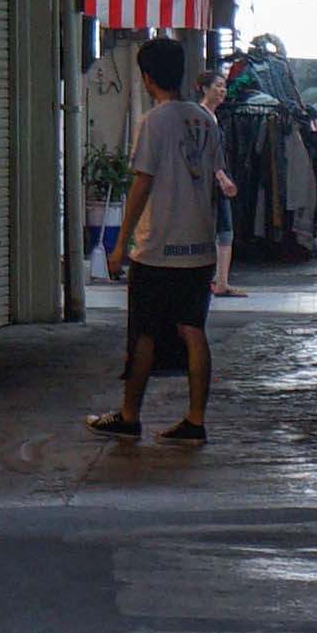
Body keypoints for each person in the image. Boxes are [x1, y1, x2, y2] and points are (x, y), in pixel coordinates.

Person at [94, 26, 228, 450]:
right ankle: (195, 420)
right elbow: (213, 180)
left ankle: (129, 416)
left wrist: (120, 245)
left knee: (144, 335)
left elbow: (142, 183)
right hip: (200, 247)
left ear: (147, 78)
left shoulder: (154, 121)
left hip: (158, 249)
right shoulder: (205, 120)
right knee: (194, 330)